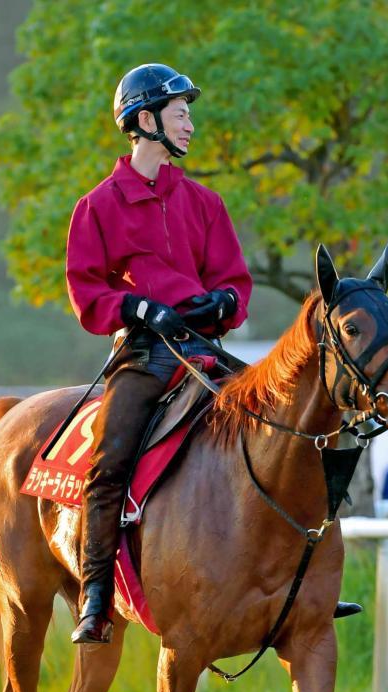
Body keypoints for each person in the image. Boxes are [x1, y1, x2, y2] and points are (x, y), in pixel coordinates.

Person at [66, 62, 360, 645]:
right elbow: (86, 291)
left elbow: (236, 282)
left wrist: (219, 302)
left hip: (207, 355)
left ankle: (309, 581)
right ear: (145, 120)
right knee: (108, 463)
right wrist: (141, 309)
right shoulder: (97, 206)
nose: (190, 124)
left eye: (188, 114)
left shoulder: (205, 202)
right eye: (180, 113)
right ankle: (96, 596)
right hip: (144, 358)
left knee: (299, 423)